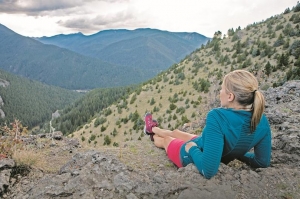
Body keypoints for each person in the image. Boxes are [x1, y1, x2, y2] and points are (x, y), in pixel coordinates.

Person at [143, 70, 271, 179]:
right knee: (176, 133)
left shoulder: (217, 116)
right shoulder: (262, 120)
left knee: (167, 140)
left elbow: (208, 170)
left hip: (193, 155)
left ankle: (152, 136)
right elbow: (262, 161)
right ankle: (152, 128)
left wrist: (192, 149)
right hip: (207, 144)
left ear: (230, 96)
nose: (220, 92)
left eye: (222, 89)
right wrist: (239, 153)